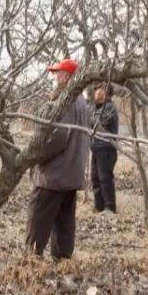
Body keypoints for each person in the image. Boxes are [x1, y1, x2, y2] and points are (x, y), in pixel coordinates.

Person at [25, 58, 89, 260]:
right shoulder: (81, 101)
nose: (52, 77)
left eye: (56, 74)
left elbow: (59, 137)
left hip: (53, 174)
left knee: (38, 219)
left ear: (65, 77)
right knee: (64, 222)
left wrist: (36, 156)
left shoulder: (65, 100)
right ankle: (62, 262)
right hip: (71, 172)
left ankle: (31, 260)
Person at [90, 82, 119, 214]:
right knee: (95, 178)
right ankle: (99, 206)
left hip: (107, 149)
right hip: (96, 148)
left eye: (99, 89)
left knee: (105, 178)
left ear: (106, 92)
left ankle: (110, 207)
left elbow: (102, 122)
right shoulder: (95, 108)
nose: (95, 92)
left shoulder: (110, 108)